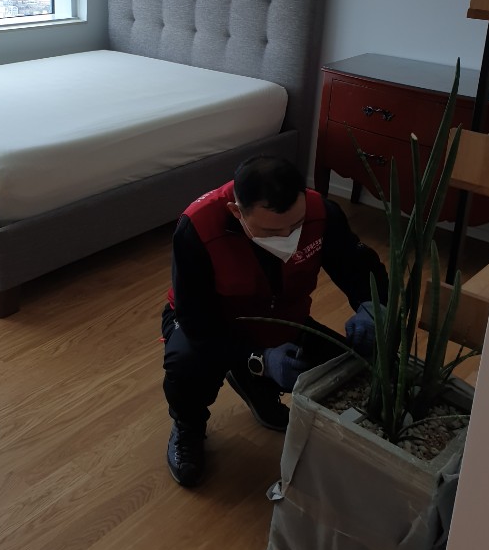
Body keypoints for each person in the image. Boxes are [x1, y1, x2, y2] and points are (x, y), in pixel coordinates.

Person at [162, 154, 388, 487]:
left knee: (355, 371)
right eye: (271, 230)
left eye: (296, 225)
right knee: (187, 363)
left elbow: (358, 266)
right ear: (236, 212)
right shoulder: (197, 226)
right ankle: (188, 426)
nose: (287, 236)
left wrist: (372, 305)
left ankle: (254, 382)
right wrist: (259, 358)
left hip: (284, 319)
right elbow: (197, 322)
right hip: (213, 325)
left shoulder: (321, 212)